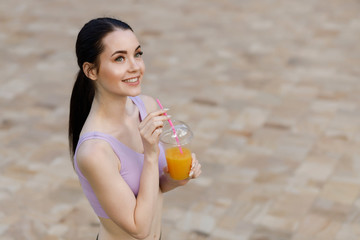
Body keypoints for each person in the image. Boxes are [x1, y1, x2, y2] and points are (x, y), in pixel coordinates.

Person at [68, 17, 202, 240]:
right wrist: (151, 153)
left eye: (137, 54)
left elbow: (150, 190)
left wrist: (176, 179)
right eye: (119, 58)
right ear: (91, 71)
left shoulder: (147, 107)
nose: (135, 67)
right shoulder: (94, 152)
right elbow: (139, 229)